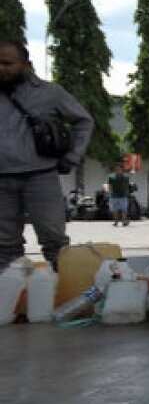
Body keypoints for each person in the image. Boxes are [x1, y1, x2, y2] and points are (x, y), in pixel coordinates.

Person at [0, 39, 94, 270]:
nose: (1, 68)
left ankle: (64, 294)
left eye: (7, 63)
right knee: (4, 245)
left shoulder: (50, 93)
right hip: (1, 181)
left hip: (40, 178)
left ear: (26, 64)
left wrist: (73, 156)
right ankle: (10, 298)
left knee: (55, 242)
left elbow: (84, 121)